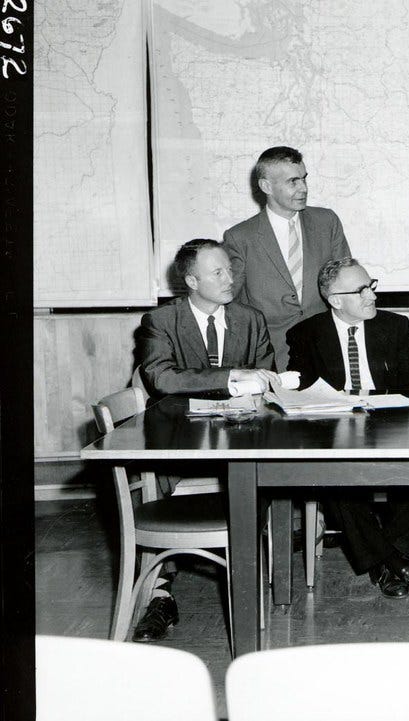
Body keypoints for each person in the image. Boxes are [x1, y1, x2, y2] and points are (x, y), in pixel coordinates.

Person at [135, 238, 279, 641]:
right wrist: (230, 379)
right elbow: (162, 379)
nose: (230, 278)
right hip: (180, 436)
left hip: (243, 435)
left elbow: (265, 377)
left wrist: (256, 384)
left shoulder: (250, 319)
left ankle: (259, 573)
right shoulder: (161, 321)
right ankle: (160, 592)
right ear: (191, 280)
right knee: (153, 474)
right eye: (218, 272)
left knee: (272, 466)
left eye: (230, 270)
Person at [285, 258, 409, 599]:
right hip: (336, 434)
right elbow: (304, 396)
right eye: (361, 290)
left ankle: (387, 562)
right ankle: (400, 563)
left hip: (392, 430)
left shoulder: (396, 326)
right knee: (333, 480)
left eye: (372, 286)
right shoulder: (306, 335)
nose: (371, 296)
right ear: (335, 300)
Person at [223, 146, 351, 368]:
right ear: (266, 186)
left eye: (304, 179)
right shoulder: (239, 237)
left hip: (327, 351)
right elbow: (231, 302)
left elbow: (347, 283)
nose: (303, 188)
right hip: (271, 355)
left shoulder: (327, 222)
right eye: (293, 181)